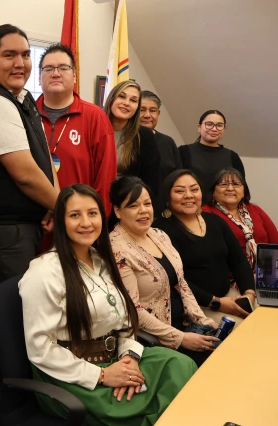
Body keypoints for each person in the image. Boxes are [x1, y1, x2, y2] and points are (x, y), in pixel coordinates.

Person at [19, 184, 196, 426]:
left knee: (180, 366)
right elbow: (39, 349)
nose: (86, 222)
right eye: (74, 215)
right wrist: (102, 375)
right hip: (72, 374)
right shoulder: (44, 272)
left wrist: (130, 358)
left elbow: (123, 322)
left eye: (92, 213)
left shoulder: (102, 260)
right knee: (142, 410)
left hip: (115, 359)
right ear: (60, 221)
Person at [0, 24, 59, 424]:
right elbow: (23, 174)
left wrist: (55, 201)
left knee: (0, 321)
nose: (20, 63)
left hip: (21, 227)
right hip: (2, 233)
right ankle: (0, 408)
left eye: (25, 55)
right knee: (11, 319)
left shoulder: (19, 100)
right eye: (9, 55)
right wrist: (67, 207)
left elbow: (42, 164)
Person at [109, 176, 218, 367]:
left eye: (147, 204)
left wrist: (203, 320)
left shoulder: (158, 235)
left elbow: (181, 283)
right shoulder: (117, 249)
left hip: (183, 326)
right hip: (154, 340)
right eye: (134, 206)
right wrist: (181, 337)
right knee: (214, 365)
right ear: (117, 211)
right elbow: (133, 311)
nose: (143, 211)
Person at [155, 170, 255, 325]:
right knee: (244, 332)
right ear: (167, 196)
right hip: (196, 307)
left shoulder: (214, 220)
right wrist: (217, 302)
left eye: (194, 189)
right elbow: (175, 280)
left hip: (230, 296)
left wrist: (249, 293)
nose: (189, 195)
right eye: (180, 191)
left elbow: (239, 261)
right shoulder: (159, 231)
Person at [36, 43, 116, 215]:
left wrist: (97, 220)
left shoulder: (95, 117)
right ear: (39, 77)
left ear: (74, 76)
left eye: (63, 68)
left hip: (80, 221)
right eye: (48, 68)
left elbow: (105, 179)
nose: (55, 73)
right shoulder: (25, 114)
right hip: (31, 223)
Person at [203, 168, 278, 270]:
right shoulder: (206, 213)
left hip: (265, 273)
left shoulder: (255, 209)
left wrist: (268, 275)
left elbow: (275, 242)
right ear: (213, 191)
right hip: (230, 277)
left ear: (244, 191)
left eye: (236, 184)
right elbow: (213, 254)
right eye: (223, 184)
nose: (230, 188)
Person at [104, 81, 161, 200]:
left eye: (133, 100)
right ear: (111, 99)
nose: (126, 103)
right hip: (93, 201)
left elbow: (151, 181)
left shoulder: (144, 135)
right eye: (122, 96)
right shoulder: (93, 128)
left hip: (128, 203)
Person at [178, 110, 245, 205]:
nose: (214, 129)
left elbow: (240, 189)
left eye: (219, 125)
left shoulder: (232, 156)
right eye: (209, 124)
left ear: (224, 128)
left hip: (223, 210)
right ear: (199, 127)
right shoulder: (183, 151)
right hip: (191, 207)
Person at [139, 90, 182, 184]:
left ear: (158, 113)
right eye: (142, 110)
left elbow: (178, 178)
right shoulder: (125, 139)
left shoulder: (168, 142)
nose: (147, 115)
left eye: (152, 111)